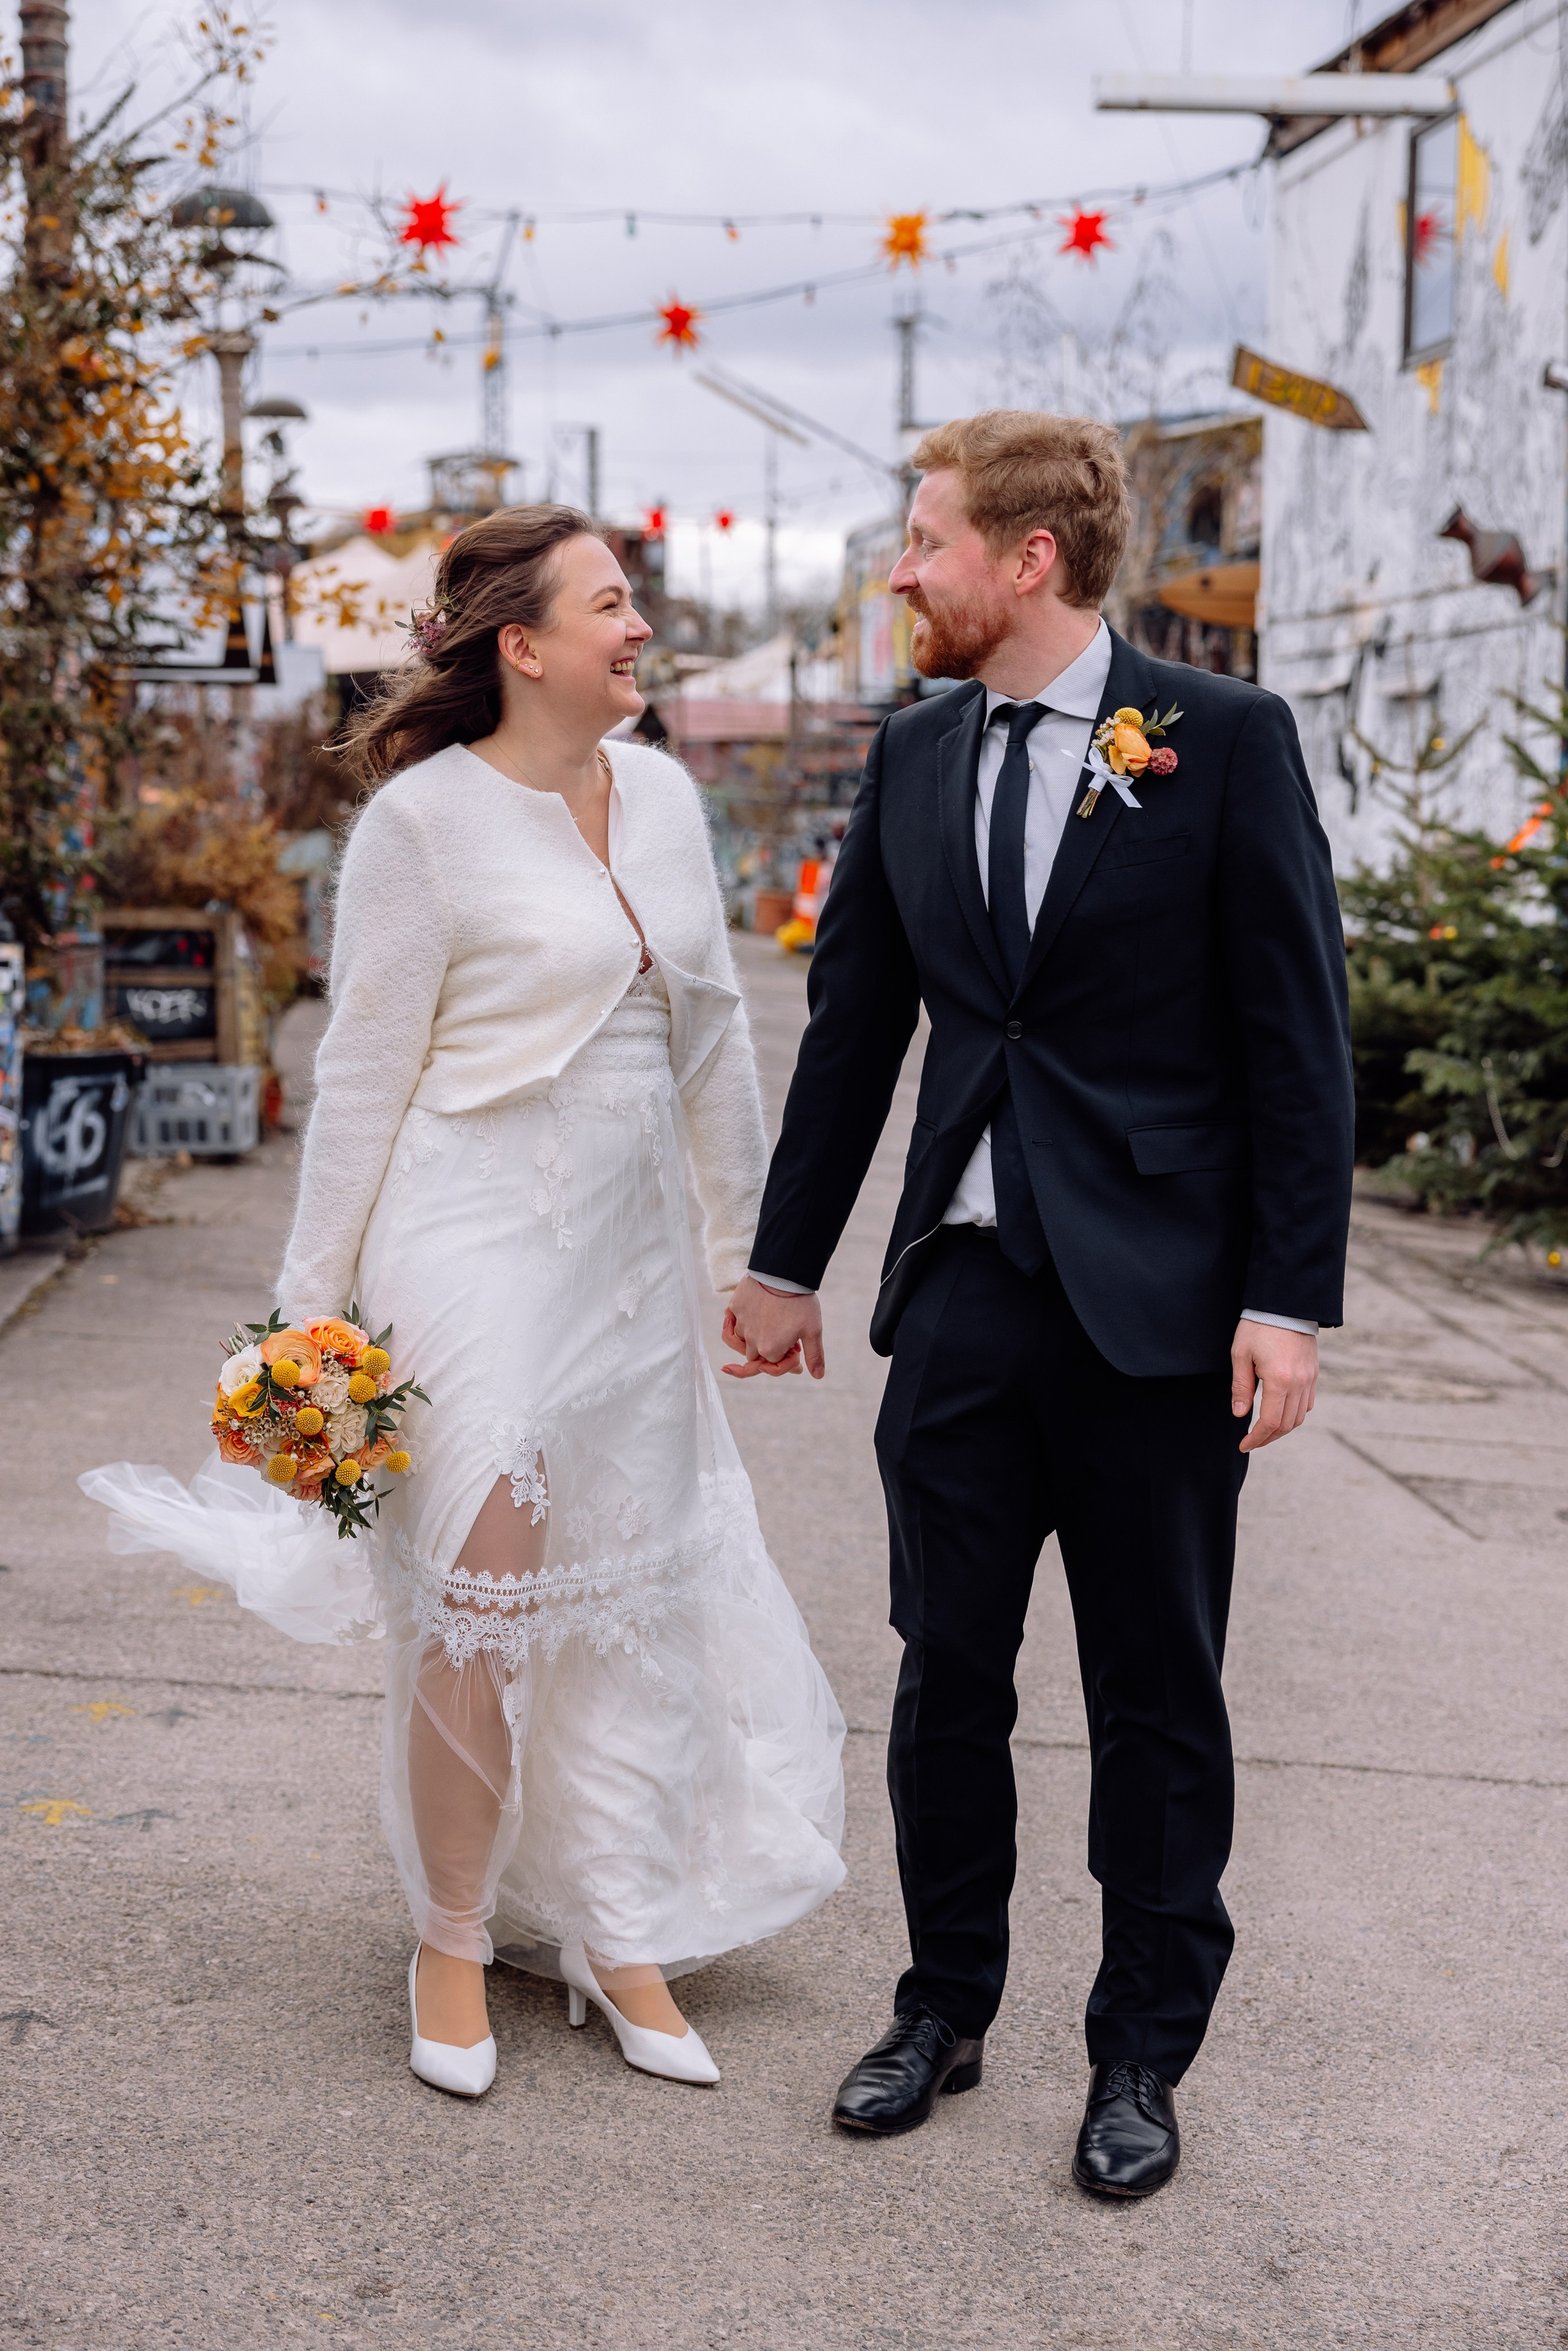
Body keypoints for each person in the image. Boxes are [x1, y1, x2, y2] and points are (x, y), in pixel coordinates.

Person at [83, 504, 845, 2099]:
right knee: (483, 1598)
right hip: (469, 1233)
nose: (640, 628)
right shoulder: (419, 827)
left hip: (628, 1258)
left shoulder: (668, 798)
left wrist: (753, 1263)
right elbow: (362, 1082)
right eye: (611, 604)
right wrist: (305, 1327)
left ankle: (618, 1931)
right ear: (524, 644)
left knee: (629, 1599)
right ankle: (448, 1934)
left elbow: (714, 1043)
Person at [723, 412, 1353, 2194]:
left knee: (1156, 1691)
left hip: (1160, 1309)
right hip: (968, 1293)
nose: (901, 571)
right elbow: (857, 1028)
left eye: (926, 539)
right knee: (945, 1674)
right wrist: (787, 1264)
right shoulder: (913, 753)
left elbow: (1296, 1040)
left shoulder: (1222, 739)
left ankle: (1141, 2051)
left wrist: (1286, 1300)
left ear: (1030, 558)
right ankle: (943, 2004)